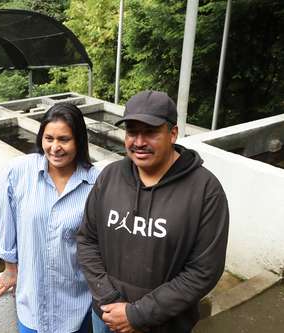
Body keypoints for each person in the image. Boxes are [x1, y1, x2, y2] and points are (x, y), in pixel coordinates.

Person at [77, 90, 229, 333]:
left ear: (173, 133)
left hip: (164, 325)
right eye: (132, 132)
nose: (138, 142)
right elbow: (87, 240)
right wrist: (109, 299)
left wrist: (137, 315)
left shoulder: (205, 191)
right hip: (106, 316)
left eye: (150, 132)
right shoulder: (110, 177)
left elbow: (203, 271)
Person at [0, 102, 100, 333]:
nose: (55, 147)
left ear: (78, 140)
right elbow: (5, 223)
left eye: (64, 139)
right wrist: (10, 268)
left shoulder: (95, 183)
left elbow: (102, 243)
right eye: (49, 138)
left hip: (78, 306)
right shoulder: (17, 172)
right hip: (33, 306)